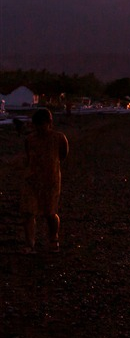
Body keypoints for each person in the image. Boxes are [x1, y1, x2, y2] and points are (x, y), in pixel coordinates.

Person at [21, 108, 70, 253]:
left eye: (42, 124)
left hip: (51, 179)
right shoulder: (29, 139)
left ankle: (53, 238)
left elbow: (63, 155)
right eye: (37, 125)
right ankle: (29, 244)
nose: (39, 128)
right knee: (28, 212)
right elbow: (29, 157)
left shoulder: (59, 138)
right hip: (31, 179)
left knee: (50, 212)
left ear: (49, 123)